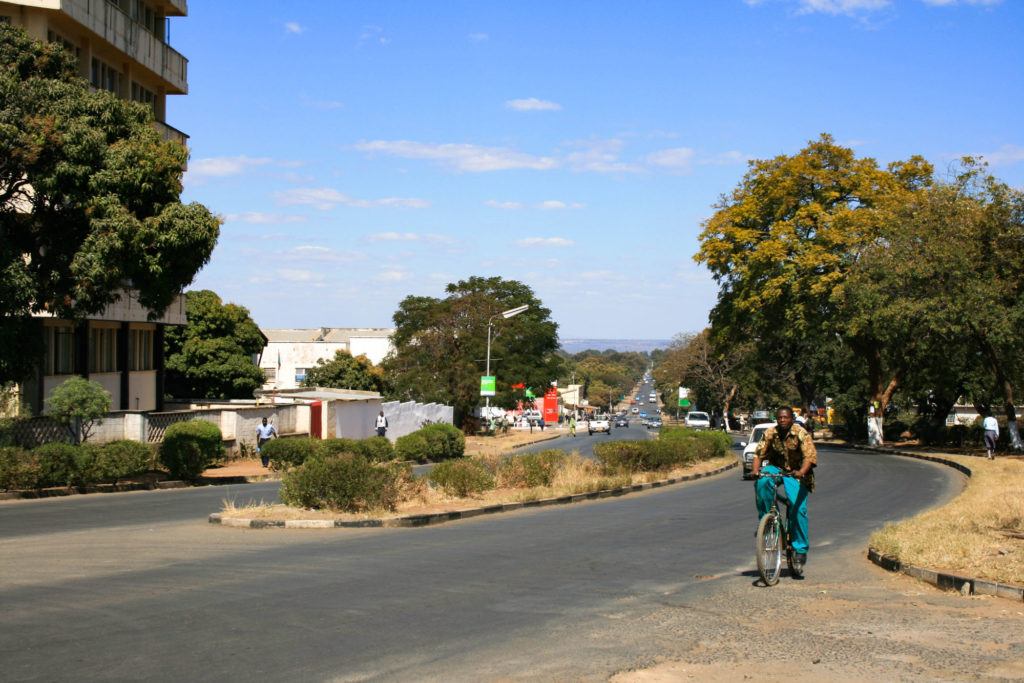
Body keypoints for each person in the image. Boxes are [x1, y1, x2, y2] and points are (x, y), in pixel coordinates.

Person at [752, 406, 817, 567]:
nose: (782, 420)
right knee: (762, 481)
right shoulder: (770, 432)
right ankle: (766, 523)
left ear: (791, 418)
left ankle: (800, 548)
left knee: (798, 507)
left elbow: (810, 456)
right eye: (780, 418)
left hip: (797, 472)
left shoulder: (800, 433)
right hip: (776, 469)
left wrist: (801, 472)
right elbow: (758, 454)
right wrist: (755, 471)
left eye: (785, 417)